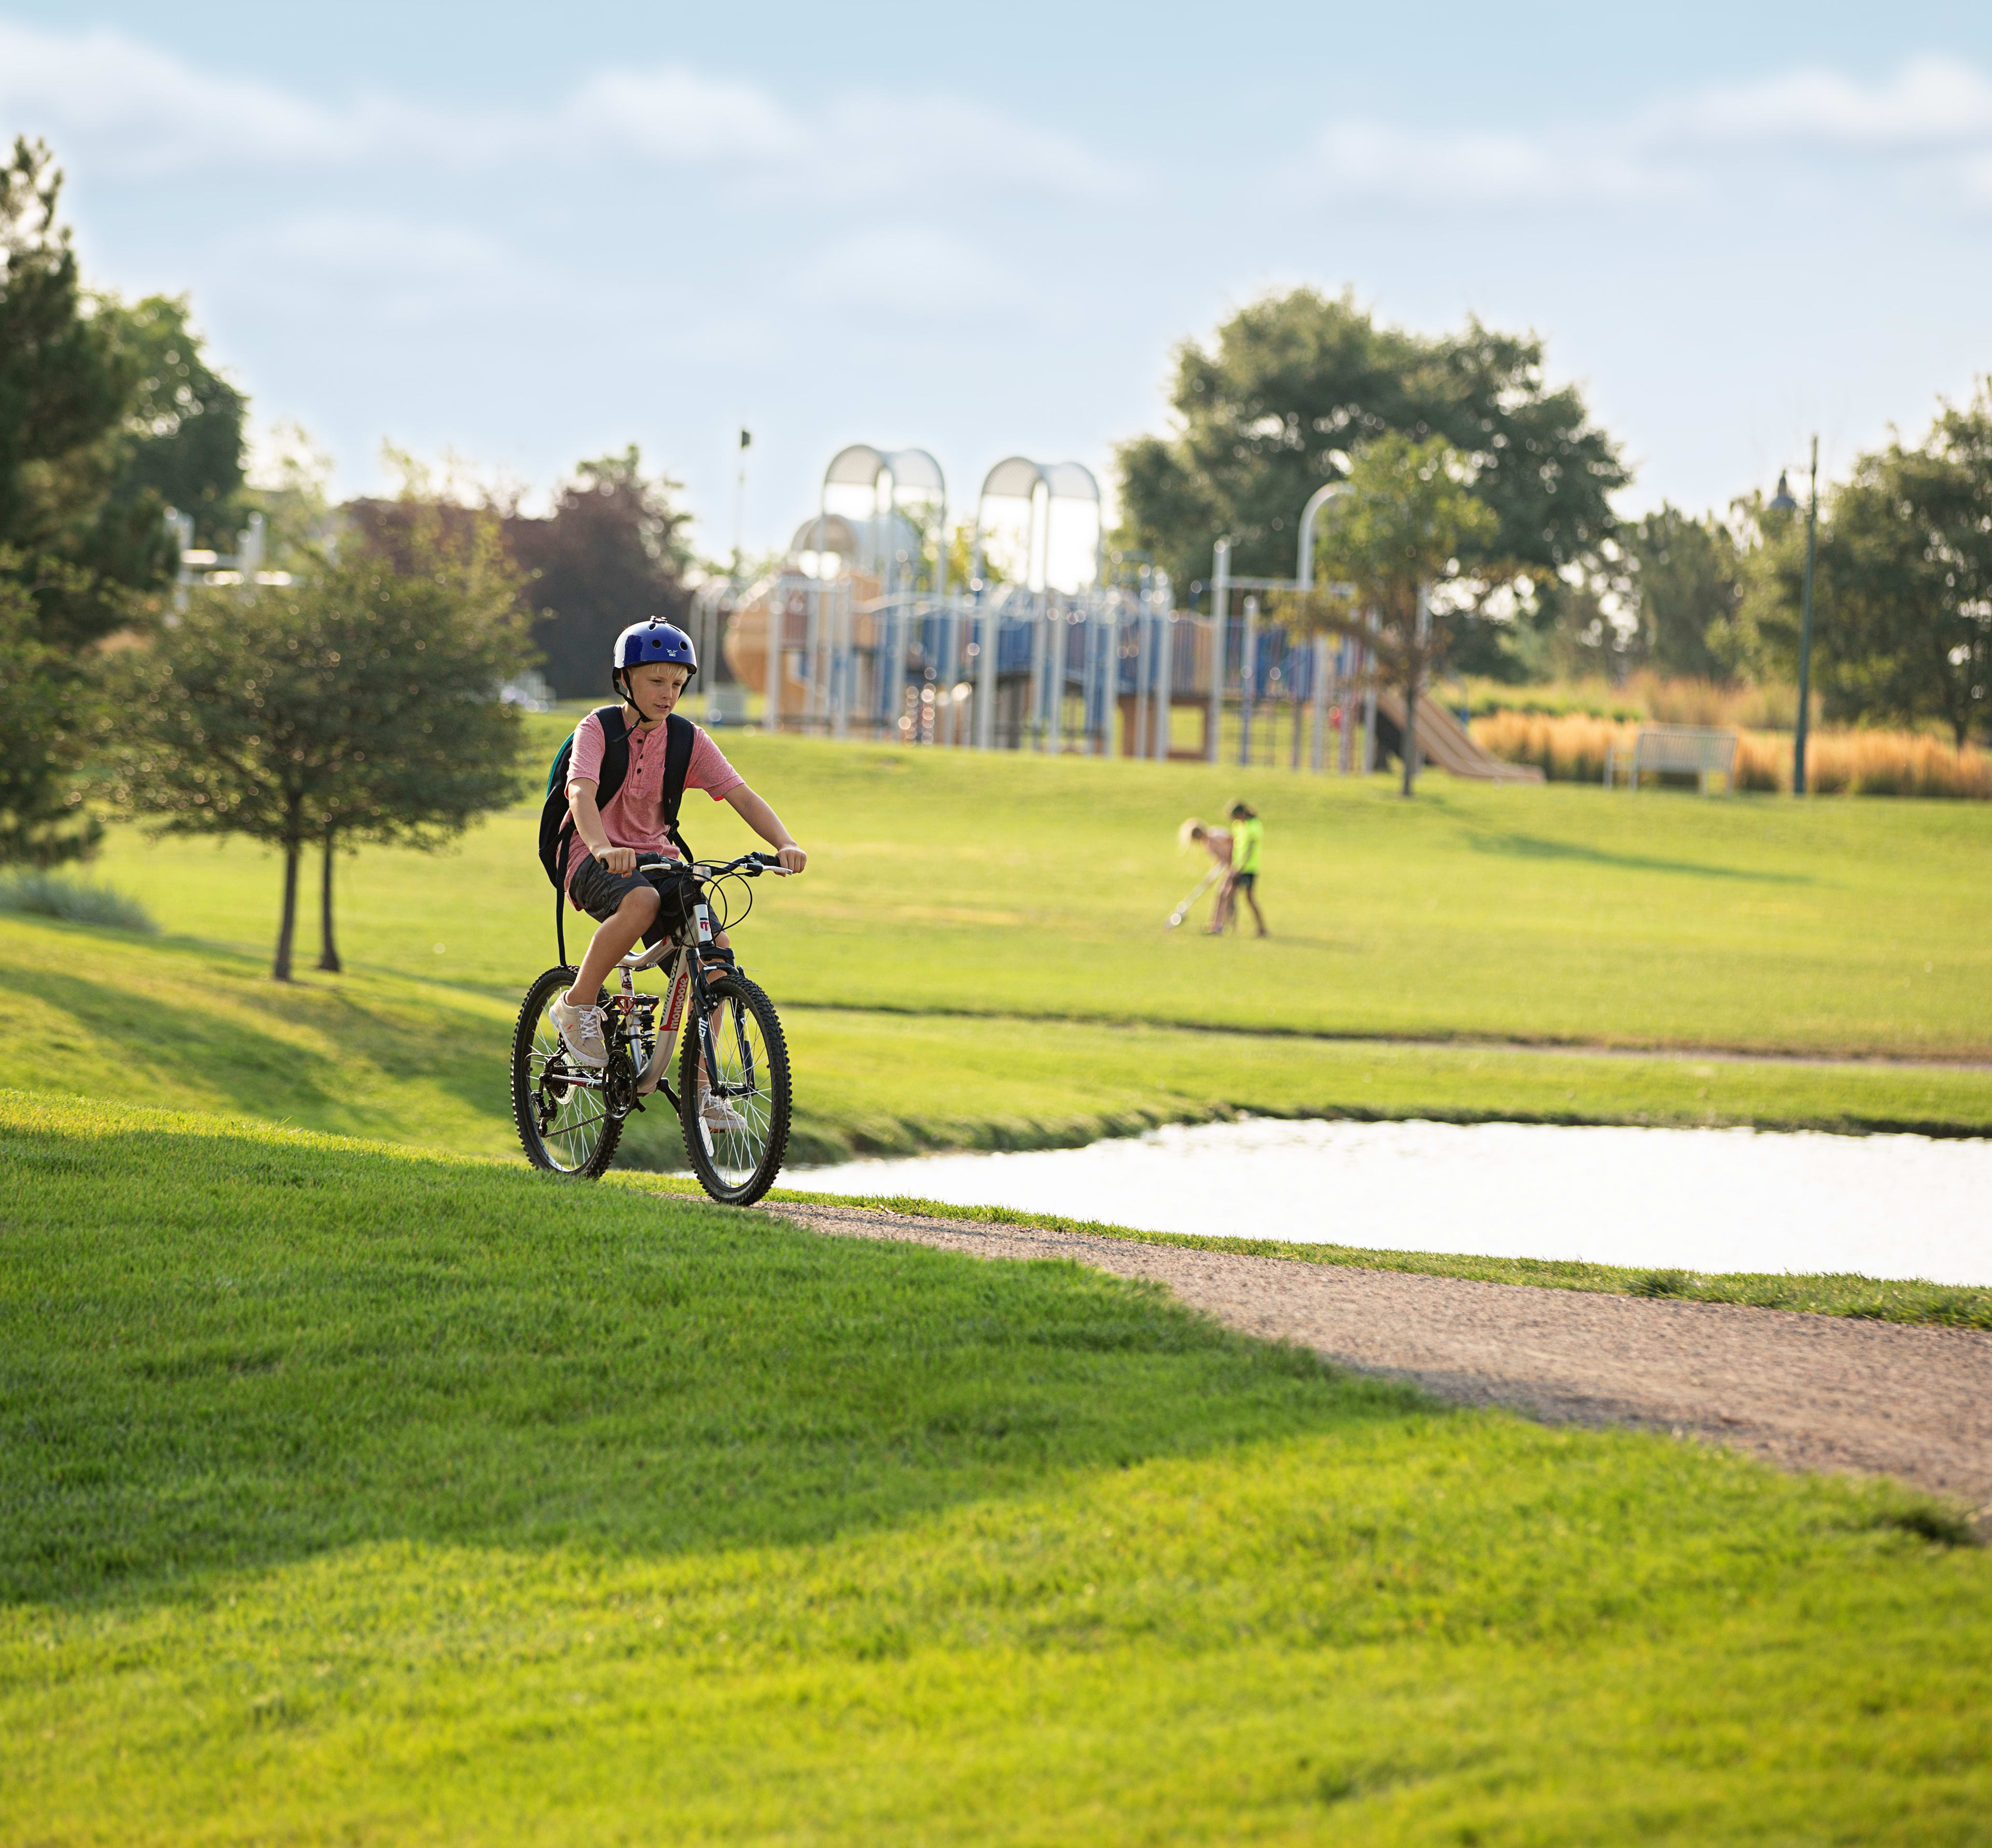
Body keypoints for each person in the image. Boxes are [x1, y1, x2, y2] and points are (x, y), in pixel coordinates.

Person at [550, 619, 807, 1126]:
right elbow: (580, 793)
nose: (669, 694)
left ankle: (704, 1088)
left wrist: (783, 842)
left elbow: (741, 794)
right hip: (591, 855)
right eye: (656, 682)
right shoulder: (597, 729)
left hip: (660, 860)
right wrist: (602, 846)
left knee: (716, 960)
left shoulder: (688, 740)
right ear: (625, 680)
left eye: (677, 683)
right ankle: (576, 1004)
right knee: (640, 901)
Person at [1178, 817, 1233, 934]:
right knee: (1223, 895)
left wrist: (1231, 859)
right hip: (1229, 868)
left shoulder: (1215, 834)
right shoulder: (1207, 844)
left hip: (1235, 867)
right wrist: (1211, 875)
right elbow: (1219, 860)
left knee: (1225, 895)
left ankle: (1223, 925)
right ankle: (1219, 924)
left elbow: (1233, 841)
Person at [1226, 800, 1267, 936]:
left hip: (1249, 868)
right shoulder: (1237, 826)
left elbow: (1250, 848)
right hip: (1237, 867)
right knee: (1230, 895)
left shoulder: (1254, 826)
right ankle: (1231, 926)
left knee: (1249, 898)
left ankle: (1262, 928)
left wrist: (1241, 867)